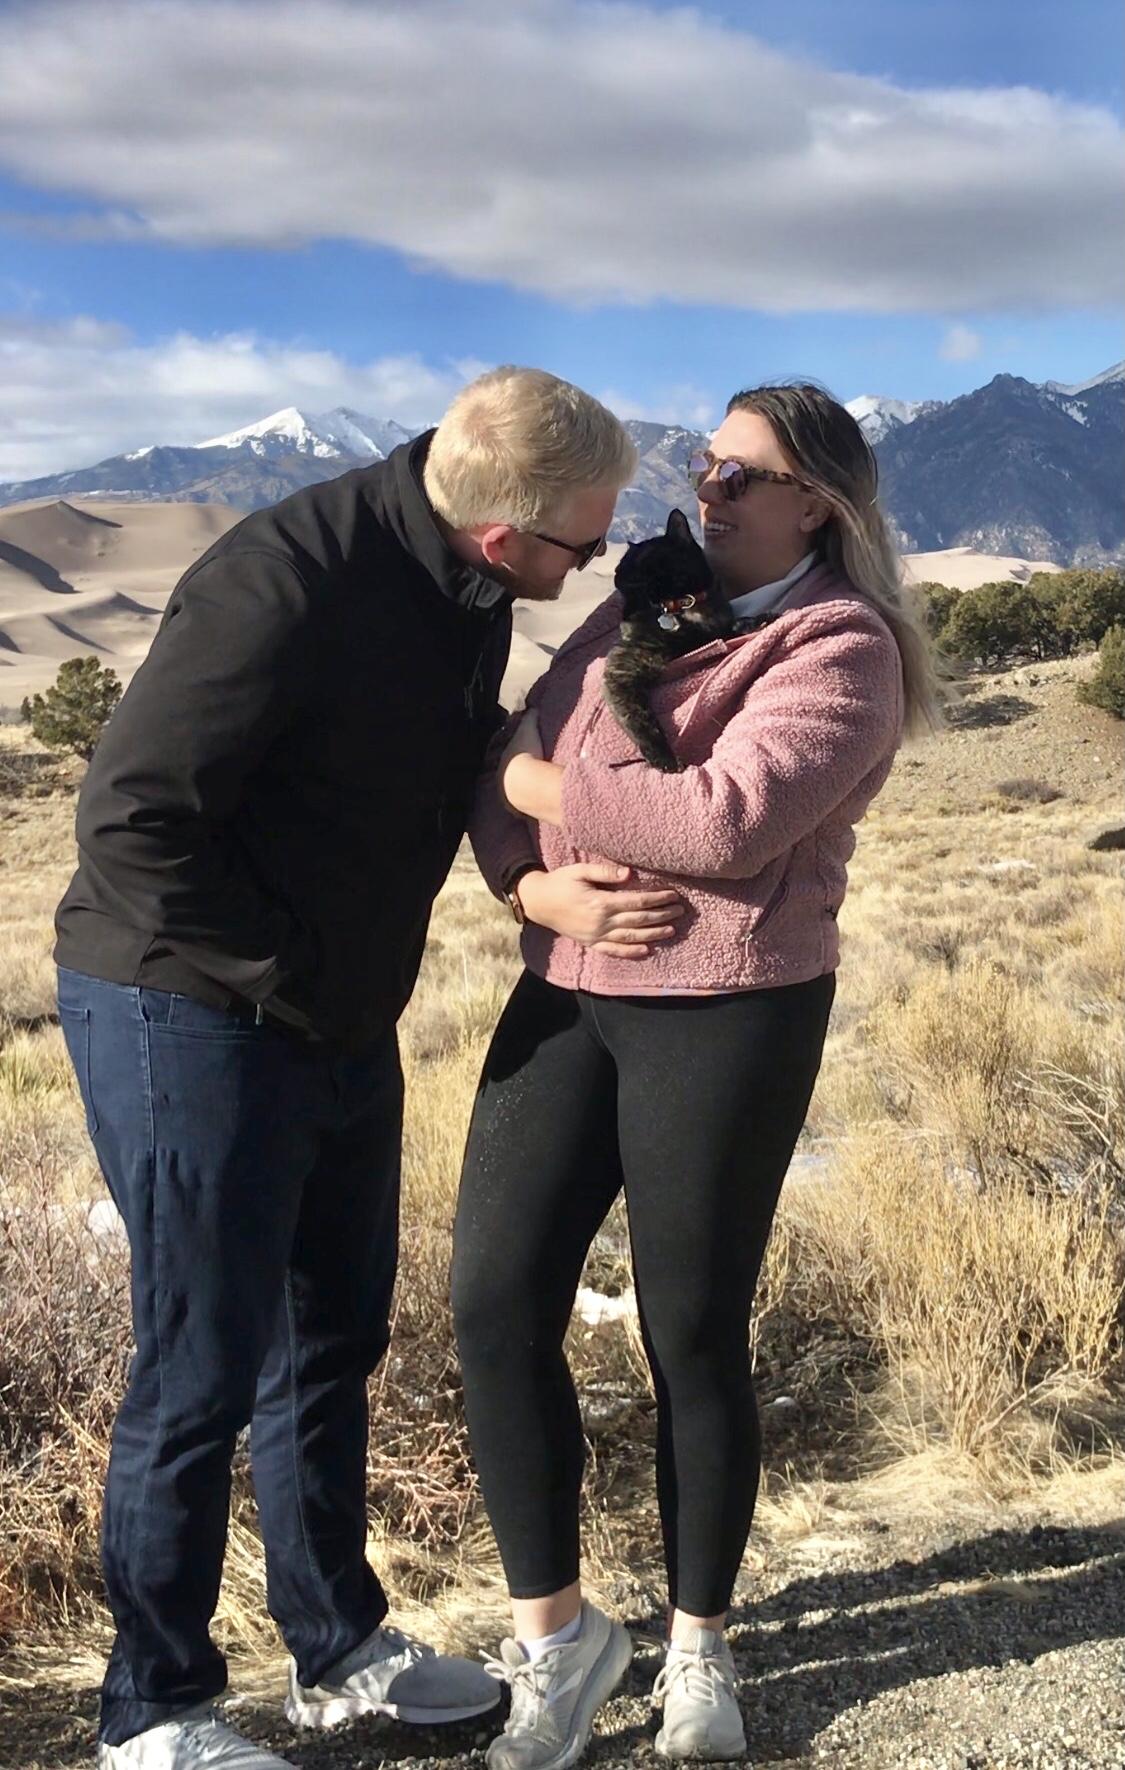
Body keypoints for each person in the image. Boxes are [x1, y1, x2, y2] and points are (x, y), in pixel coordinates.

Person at [53, 366, 646, 1769]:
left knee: (329, 1343)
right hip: (187, 1007)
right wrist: (291, 977)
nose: (592, 561)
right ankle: (154, 1709)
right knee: (196, 1364)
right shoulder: (285, 582)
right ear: (506, 537)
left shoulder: (462, 573)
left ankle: (335, 1648)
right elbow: (131, 825)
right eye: (585, 542)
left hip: (327, 1016)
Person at [453, 383, 941, 1768]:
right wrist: (535, 896)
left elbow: (721, 822)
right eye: (708, 467)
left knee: (690, 1334)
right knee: (490, 1304)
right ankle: (556, 1640)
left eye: (741, 474)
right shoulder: (636, 605)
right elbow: (502, 765)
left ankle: (697, 1645)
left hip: (726, 1009)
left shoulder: (841, 646)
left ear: (818, 504)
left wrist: (554, 799)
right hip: (566, 990)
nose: (708, 489)